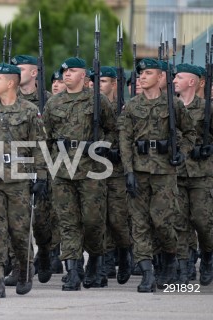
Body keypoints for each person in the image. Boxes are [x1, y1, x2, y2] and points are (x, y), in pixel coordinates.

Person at [118, 58, 196, 292]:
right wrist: (128, 171)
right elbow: (125, 141)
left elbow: (190, 133)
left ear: (161, 78)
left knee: (162, 222)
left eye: (148, 73)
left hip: (164, 171)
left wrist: (181, 153)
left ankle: (170, 259)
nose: (142, 77)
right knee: (139, 224)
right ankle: (147, 273)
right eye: (140, 74)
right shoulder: (131, 106)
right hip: (139, 171)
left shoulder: (174, 105)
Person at [42, 57, 116, 291]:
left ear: (84, 76)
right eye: (64, 71)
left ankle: (95, 259)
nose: (67, 74)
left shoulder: (98, 101)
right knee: (67, 222)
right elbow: (45, 137)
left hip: (91, 170)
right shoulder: (54, 103)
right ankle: (73, 270)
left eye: (72, 71)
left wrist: (101, 147)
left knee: (93, 221)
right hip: (62, 170)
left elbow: (114, 130)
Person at [0, 62, 48, 298]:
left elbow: (39, 145)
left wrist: (41, 176)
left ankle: (25, 268)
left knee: (18, 229)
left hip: (19, 175)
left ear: (10, 83)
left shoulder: (28, 111)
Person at [11, 54, 57, 284]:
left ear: (34, 72)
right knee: (16, 220)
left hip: (41, 164)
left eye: (21, 68)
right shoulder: (9, 99)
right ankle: (21, 267)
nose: (16, 72)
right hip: (14, 165)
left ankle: (46, 252)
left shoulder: (48, 100)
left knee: (40, 219)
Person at [173, 63, 213, 286]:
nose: (174, 80)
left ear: (192, 81)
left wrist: (209, 148)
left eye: (179, 77)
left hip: (202, 173)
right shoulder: (170, 107)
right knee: (180, 221)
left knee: (202, 220)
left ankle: (207, 254)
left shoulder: (207, 108)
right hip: (176, 172)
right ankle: (185, 262)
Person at [98, 66, 132, 283]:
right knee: (100, 217)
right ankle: (106, 261)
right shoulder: (93, 106)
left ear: (114, 84)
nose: (97, 85)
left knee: (118, 218)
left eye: (102, 81)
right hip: (97, 168)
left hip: (118, 169)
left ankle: (124, 252)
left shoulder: (125, 107)